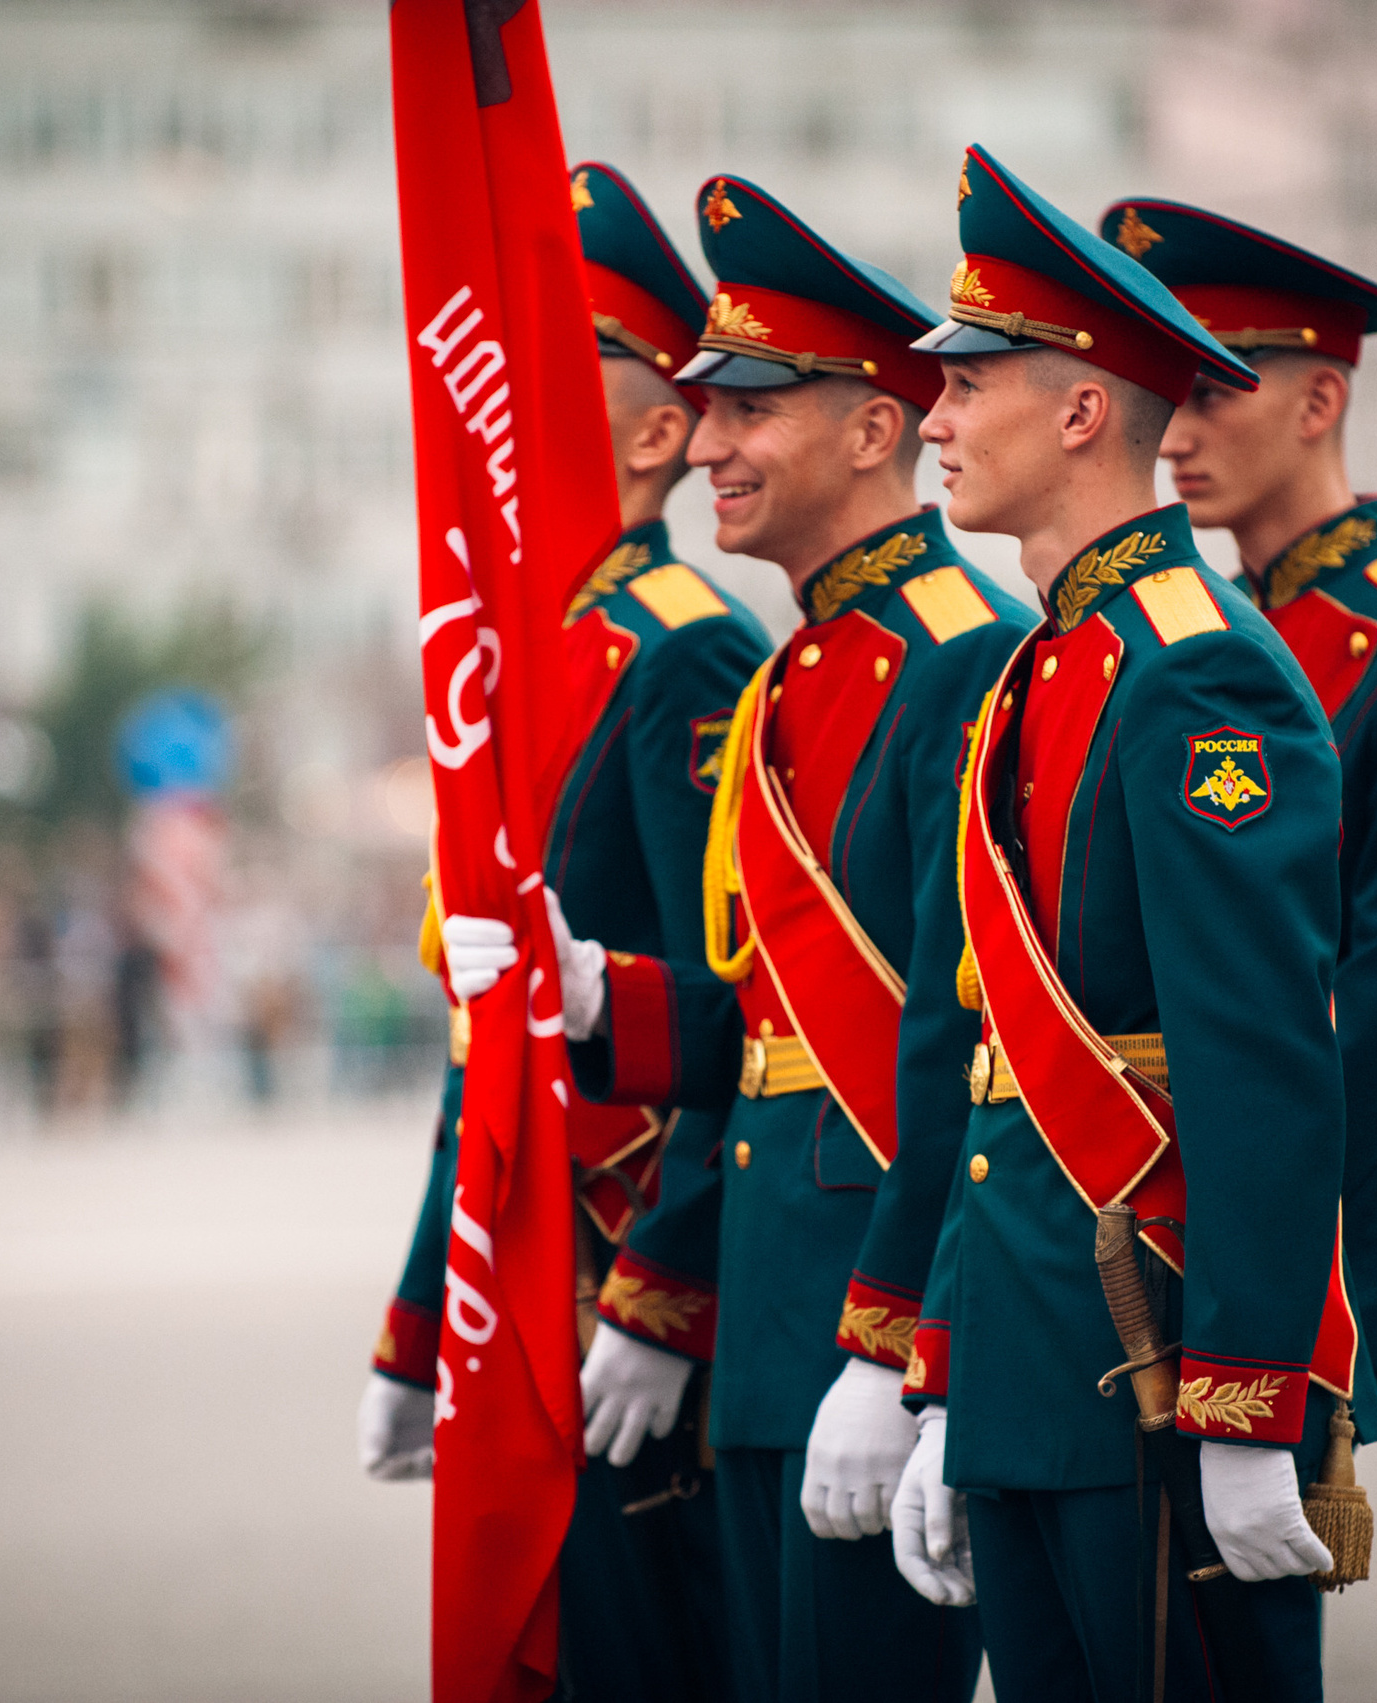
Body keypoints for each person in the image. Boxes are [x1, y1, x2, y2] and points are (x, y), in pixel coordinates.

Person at [890, 145, 1377, 1701]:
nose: (937, 420)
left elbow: (1259, 1067)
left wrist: (1251, 1409)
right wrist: (943, 1380)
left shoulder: (1196, 669)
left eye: (968, 385)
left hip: (1155, 1361)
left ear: (1085, 410)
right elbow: (995, 1076)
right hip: (1038, 1356)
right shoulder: (1052, 659)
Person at [555, 172, 1029, 1702]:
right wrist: (598, 1002)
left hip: (867, 1321)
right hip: (771, 1322)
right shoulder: (789, 678)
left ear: (874, 428)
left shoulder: (962, 662)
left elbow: (965, 1044)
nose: (706, 448)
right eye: (700, 410)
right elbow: (760, 1026)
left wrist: (903, 1350)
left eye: (749, 408)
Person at [357, 162, 770, 1703]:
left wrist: (663, 1291)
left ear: (661, 428)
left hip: (627, 1291)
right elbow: (494, 1041)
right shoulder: (524, 663)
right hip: (525, 1267)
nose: (503, 394)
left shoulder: (685, 654)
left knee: (649, 1658)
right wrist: (418, 1319)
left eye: (553, 365)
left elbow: (737, 1011)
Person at [1104, 196, 1377, 1384]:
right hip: (1153, 1179)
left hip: (1312, 1194)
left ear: (1318, 400)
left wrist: (1228, 1212)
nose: (1171, 432)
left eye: (1210, 390)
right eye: (1163, 390)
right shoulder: (1197, 629)